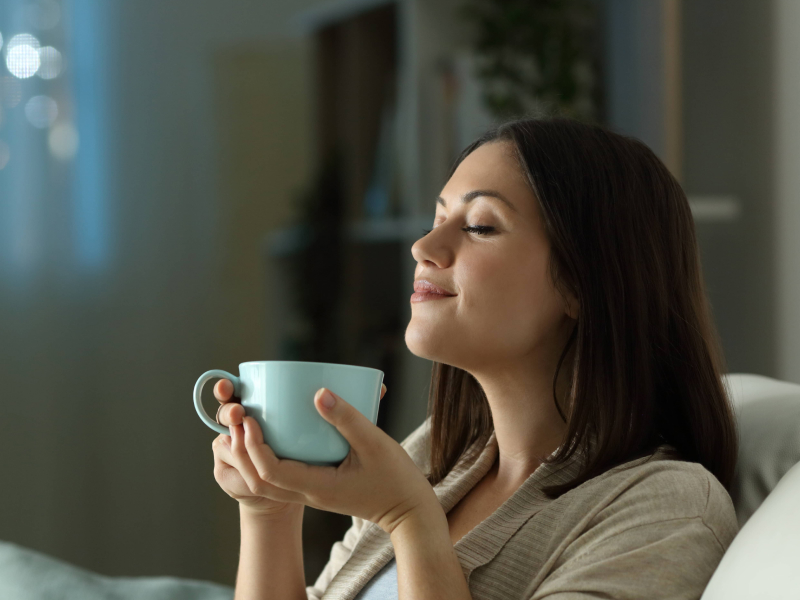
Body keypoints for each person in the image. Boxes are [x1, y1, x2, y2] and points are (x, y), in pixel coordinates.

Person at [209, 116, 740, 600]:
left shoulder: (668, 507)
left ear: (584, 282)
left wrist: (411, 520)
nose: (424, 245)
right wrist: (269, 510)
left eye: (480, 226)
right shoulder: (437, 454)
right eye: (437, 218)